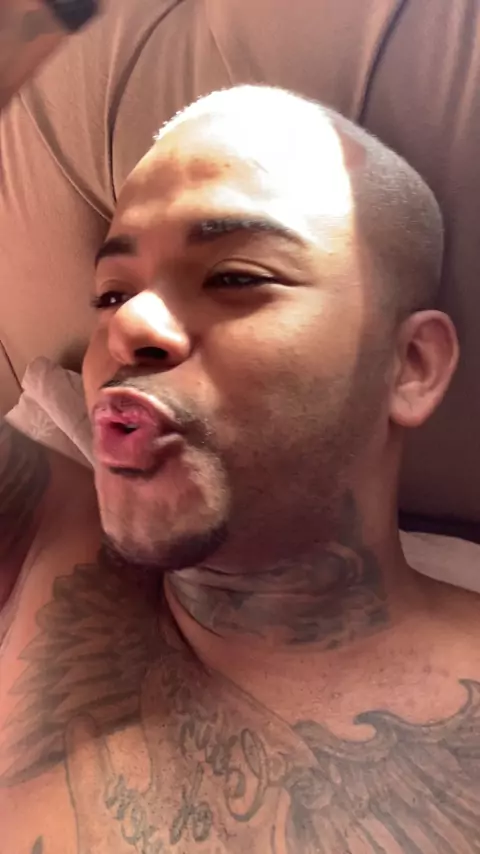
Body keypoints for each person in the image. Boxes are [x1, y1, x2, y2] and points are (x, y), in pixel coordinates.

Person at [4, 82, 480, 853]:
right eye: (111, 293)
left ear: (411, 367)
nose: (129, 325)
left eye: (234, 278)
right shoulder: (49, 529)